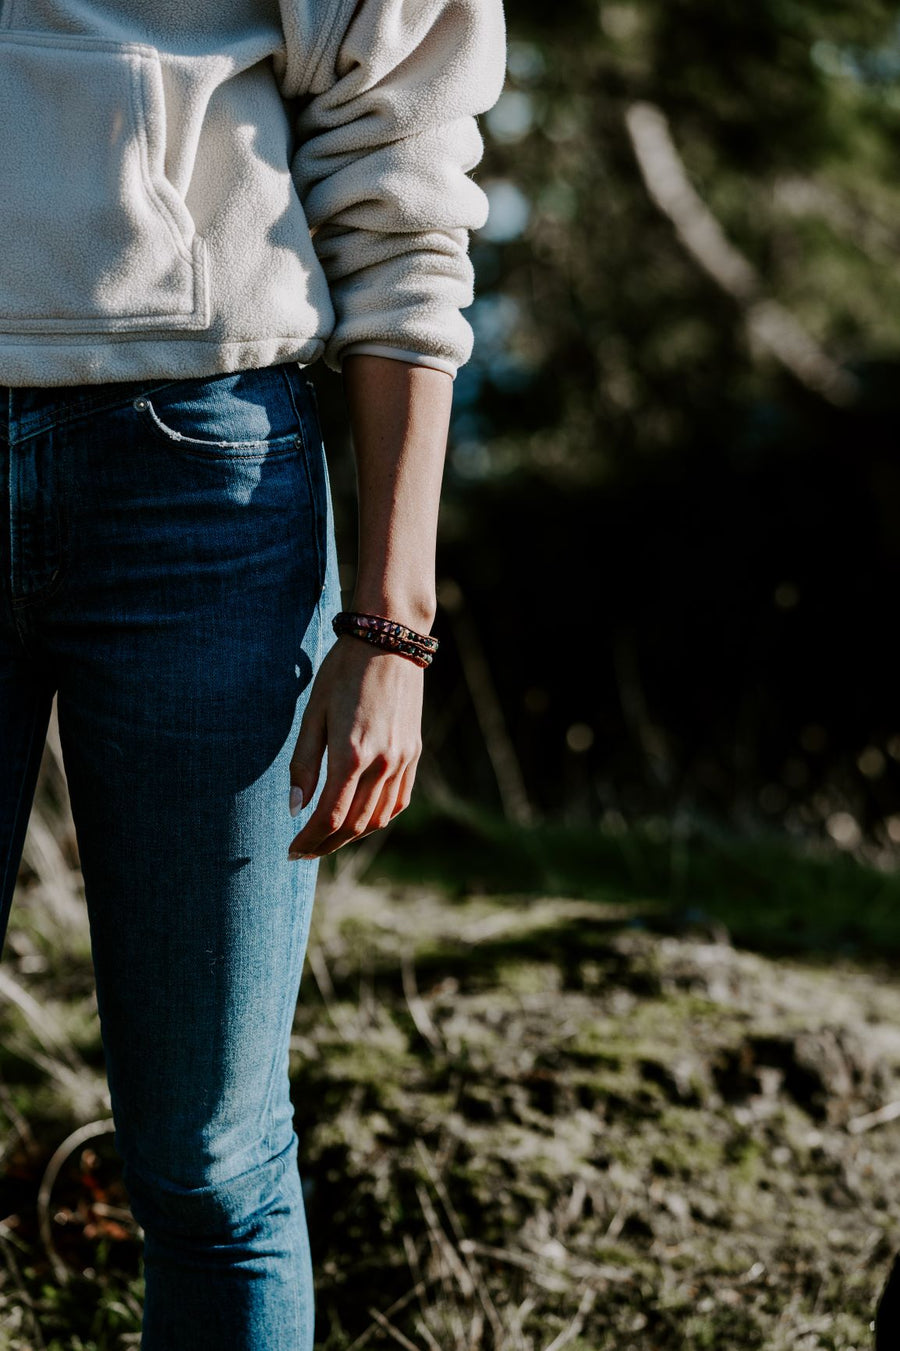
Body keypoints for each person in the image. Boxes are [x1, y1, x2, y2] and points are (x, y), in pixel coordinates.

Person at [0, 0, 506, 1345]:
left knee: (214, 1157)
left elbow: (403, 158)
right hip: (200, 479)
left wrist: (395, 625)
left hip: (203, 487)